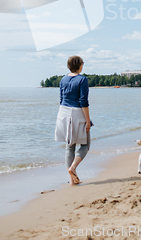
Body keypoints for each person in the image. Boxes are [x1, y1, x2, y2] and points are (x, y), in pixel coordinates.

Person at [55, 55, 91, 185]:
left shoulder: (63, 79)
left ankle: (72, 180)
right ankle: (73, 168)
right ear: (79, 65)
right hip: (77, 113)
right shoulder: (82, 79)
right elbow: (83, 102)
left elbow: (61, 99)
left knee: (69, 147)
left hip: (63, 113)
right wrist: (88, 120)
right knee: (85, 145)